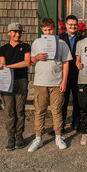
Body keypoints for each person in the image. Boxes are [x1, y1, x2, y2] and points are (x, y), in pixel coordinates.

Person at [28, 18, 72, 152]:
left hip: (56, 82)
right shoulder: (37, 42)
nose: (48, 32)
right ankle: (38, 138)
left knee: (56, 110)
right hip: (40, 82)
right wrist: (37, 58)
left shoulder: (62, 43)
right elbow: (31, 59)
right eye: (46, 30)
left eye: (50, 29)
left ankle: (58, 136)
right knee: (40, 111)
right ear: (42, 29)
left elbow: (65, 63)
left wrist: (64, 81)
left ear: (55, 29)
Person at [0, 23, 31, 151]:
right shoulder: (3, 48)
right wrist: (0, 67)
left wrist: (8, 67)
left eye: (19, 32)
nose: (17, 34)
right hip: (6, 81)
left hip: (21, 80)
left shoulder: (26, 46)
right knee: (9, 110)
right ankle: (11, 136)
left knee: (20, 110)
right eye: (14, 32)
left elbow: (26, 62)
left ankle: (19, 135)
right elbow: (2, 64)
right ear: (9, 33)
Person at [58, 15, 84, 132]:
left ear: (77, 25)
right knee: (62, 101)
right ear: (66, 25)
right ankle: (61, 125)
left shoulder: (82, 38)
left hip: (79, 73)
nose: (73, 26)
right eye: (70, 24)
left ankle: (76, 123)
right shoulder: (60, 38)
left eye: (75, 24)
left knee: (78, 101)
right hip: (64, 74)